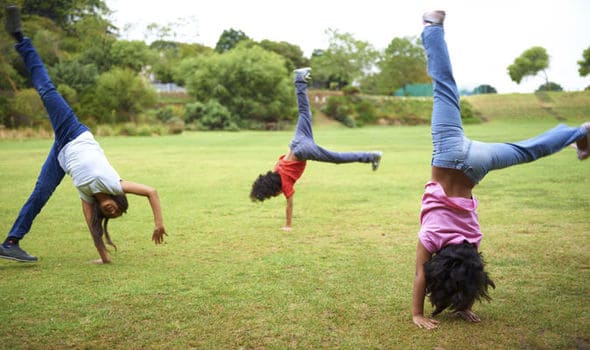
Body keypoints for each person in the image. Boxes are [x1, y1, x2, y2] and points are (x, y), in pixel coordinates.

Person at [412, 10, 590, 329]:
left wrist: (461, 303)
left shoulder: (471, 241)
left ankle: (579, 132)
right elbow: (420, 275)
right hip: (448, 150)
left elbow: (469, 269)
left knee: (528, 150)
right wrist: (417, 313)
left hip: (478, 163)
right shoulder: (430, 236)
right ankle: (432, 27)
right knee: (445, 87)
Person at [0, 6, 167, 264]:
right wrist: (158, 223)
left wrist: (104, 258)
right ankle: (21, 38)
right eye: (118, 207)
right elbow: (151, 191)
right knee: (46, 91)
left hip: (62, 154)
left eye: (110, 215)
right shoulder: (113, 184)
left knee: (40, 194)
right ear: (116, 198)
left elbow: (92, 227)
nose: (113, 211)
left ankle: (11, 242)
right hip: (74, 132)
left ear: (102, 211)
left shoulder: (87, 197)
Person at [250, 67, 382, 230]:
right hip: (296, 141)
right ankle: (300, 79)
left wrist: (288, 225)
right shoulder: (276, 169)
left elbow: (289, 204)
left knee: (337, 158)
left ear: (273, 190)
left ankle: (372, 156)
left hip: (302, 150)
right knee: (304, 113)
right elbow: (283, 161)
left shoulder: (285, 185)